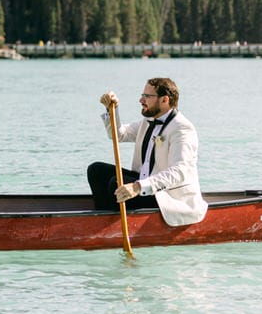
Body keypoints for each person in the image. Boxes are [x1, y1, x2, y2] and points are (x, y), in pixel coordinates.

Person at [88, 77, 207, 226]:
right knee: (96, 170)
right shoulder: (148, 121)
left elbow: (179, 171)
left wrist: (138, 187)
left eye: (147, 96)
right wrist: (111, 109)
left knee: (116, 183)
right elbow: (118, 134)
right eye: (142, 95)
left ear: (165, 100)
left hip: (167, 195)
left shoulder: (182, 128)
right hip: (146, 183)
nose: (141, 100)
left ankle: (112, 227)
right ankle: (103, 220)